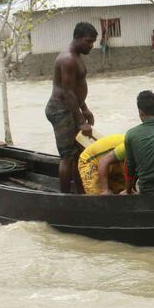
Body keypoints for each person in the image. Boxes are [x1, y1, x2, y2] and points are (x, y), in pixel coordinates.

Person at [46, 22, 97, 193]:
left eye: (93, 41)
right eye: (89, 41)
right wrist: (81, 122)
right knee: (67, 156)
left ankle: (81, 193)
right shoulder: (67, 59)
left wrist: (85, 108)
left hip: (71, 107)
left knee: (78, 154)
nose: (91, 45)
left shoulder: (76, 56)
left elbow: (75, 89)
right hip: (60, 110)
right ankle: (65, 197)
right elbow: (67, 93)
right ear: (78, 38)